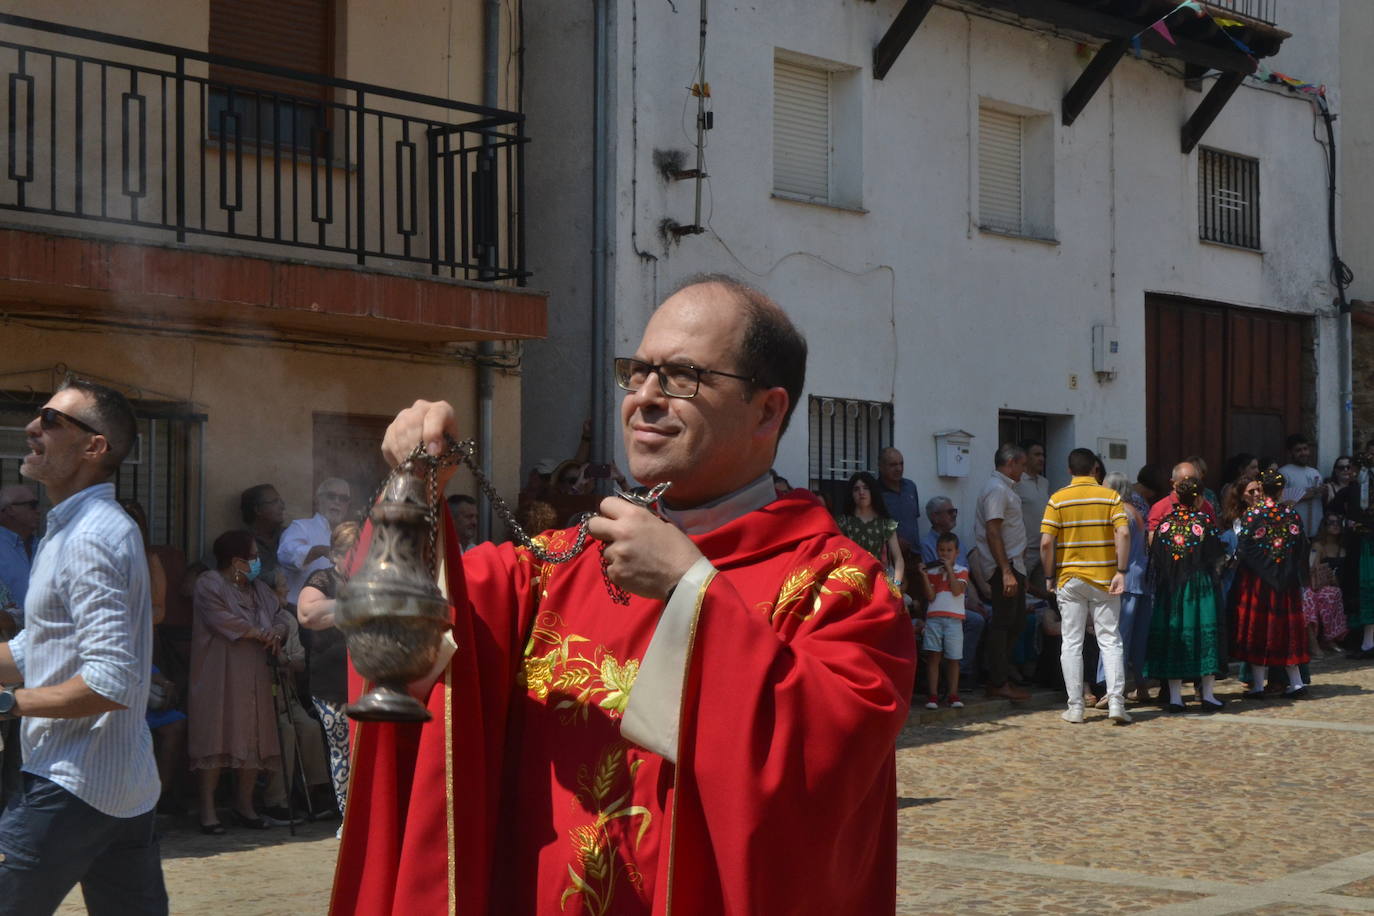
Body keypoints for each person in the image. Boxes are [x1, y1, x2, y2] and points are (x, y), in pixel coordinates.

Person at [334, 274, 916, 914]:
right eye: (637, 373)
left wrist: (690, 588)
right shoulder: (558, 564)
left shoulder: (838, 588)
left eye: (681, 377)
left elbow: (821, 774)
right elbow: (408, 637)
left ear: (769, 409)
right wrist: (412, 490)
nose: (644, 398)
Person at [0, 378, 167, 912]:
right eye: (38, 416)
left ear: (95, 447)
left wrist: (8, 703)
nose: (32, 427)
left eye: (51, 421)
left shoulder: (91, 536)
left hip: (70, 780)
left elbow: (108, 680)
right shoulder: (69, 530)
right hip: (119, 784)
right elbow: (38, 649)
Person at [189, 530, 292, 833]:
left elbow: (282, 617)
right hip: (218, 675)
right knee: (216, 736)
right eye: (253, 556)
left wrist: (278, 631)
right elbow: (222, 620)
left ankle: (244, 806)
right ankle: (208, 812)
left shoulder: (258, 588)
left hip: (256, 674)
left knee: (253, 736)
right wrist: (261, 633)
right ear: (236, 561)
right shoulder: (209, 584)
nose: (257, 561)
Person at [1040, 447, 1131, 725]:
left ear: (1069, 471)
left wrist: (1048, 576)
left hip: (1070, 579)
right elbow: (1124, 532)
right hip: (1104, 578)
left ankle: (1076, 706)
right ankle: (1116, 702)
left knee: (1072, 642)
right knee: (1110, 640)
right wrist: (1121, 571)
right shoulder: (1110, 497)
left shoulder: (1058, 499)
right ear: (1095, 469)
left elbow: (1045, 542)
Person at [1142, 477, 1228, 712]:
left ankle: (1175, 698)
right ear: (1199, 498)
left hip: (1171, 589)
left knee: (1174, 637)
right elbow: (1215, 556)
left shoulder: (1165, 525)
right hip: (1199, 588)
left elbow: (1156, 558)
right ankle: (1208, 696)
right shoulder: (1205, 522)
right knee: (1203, 636)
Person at [296, 521, 360, 821]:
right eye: (350, 552)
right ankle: (349, 820)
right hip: (331, 682)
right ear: (335, 555)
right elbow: (309, 614)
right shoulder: (321, 578)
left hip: (372, 678)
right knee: (342, 749)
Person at [1230, 468, 1310, 698]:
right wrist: (1284, 569)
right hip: (1285, 583)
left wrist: (1264, 569)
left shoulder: (1252, 515)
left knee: (1258, 629)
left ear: (1262, 489)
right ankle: (1295, 682)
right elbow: (1300, 547)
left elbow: (1244, 547)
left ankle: (1257, 685)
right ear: (1282, 489)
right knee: (1287, 629)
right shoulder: (1291, 514)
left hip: (1257, 583)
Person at [974, 444, 1031, 702]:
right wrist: (1006, 571)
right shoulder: (996, 490)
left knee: (1017, 621)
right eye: (1021, 464)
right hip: (1002, 566)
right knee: (1004, 623)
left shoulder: (1005, 489)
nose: (1024, 469)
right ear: (1010, 464)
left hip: (1012, 565)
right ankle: (997, 681)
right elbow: (993, 531)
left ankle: (999, 675)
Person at [920, 496, 987, 686]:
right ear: (935, 517)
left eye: (954, 511)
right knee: (976, 621)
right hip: (944, 601)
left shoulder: (958, 543)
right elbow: (939, 580)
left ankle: (982, 673)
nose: (954, 515)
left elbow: (966, 575)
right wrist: (968, 603)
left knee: (990, 614)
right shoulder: (928, 544)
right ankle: (962, 675)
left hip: (961, 596)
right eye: (949, 512)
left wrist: (975, 601)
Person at [1100, 472, 1151, 704]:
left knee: (1116, 636)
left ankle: (1112, 690)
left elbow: (1118, 548)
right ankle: (1141, 685)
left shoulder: (1119, 513)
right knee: (1138, 638)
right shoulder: (1136, 511)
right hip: (1141, 580)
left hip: (1126, 581)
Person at [278, 479, 351, 609]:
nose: (337, 502)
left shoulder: (351, 534)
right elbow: (287, 556)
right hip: (299, 613)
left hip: (338, 614)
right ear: (317, 500)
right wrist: (321, 550)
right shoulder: (301, 527)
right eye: (331, 496)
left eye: (343, 498)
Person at [835, 471, 906, 592]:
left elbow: (898, 559)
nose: (861, 492)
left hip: (879, 583)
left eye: (866, 488)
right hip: (850, 583)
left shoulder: (886, 523)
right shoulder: (843, 522)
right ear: (851, 494)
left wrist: (896, 584)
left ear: (873, 491)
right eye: (856, 489)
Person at [921, 533, 968, 710]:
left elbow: (957, 591)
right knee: (933, 656)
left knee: (954, 658)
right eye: (942, 550)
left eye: (949, 550)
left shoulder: (962, 570)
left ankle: (953, 694)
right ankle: (933, 695)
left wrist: (949, 570)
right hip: (934, 617)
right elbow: (930, 596)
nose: (945, 554)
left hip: (954, 619)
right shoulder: (932, 571)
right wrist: (924, 576)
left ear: (956, 552)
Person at [1302, 515, 1348, 656]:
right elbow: (1312, 568)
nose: (1335, 525)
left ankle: (1330, 638)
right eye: (1331, 522)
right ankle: (1313, 642)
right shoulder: (1318, 546)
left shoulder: (1343, 547)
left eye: (1338, 522)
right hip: (1317, 585)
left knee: (1331, 594)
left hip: (1336, 585)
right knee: (1309, 597)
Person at [0, 485, 40, 636]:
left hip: (48, 643)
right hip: (8, 646)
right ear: (10, 510)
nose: (38, 510)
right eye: (32, 505)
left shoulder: (46, 546)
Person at [877, 447, 921, 564]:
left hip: (915, 556)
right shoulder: (875, 492)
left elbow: (913, 520)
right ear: (881, 467)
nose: (899, 468)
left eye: (901, 464)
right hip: (889, 559)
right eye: (893, 465)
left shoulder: (910, 487)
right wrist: (891, 542)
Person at [1014, 442, 1050, 579]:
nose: (1041, 459)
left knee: (1044, 592)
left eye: (1042, 455)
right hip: (1026, 550)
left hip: (1044, 547)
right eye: (1036, 455)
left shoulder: (1044, 482)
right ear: (1026, 458)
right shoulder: (1017, 483)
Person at [1147, 461, 1217, 533]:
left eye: (1193, 482)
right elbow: (1153, 539)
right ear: (1173, 483)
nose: (1189, 486)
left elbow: (1213, 534)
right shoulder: (1160, 508)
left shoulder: (1205, 506)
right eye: (1185, 483)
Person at [1279, 433, 1325, 537]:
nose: (1303, 453)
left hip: (1316, 532)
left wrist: (1325, 492)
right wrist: (1304, 495)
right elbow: (1278, 502)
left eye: (1305, 449)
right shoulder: (1284, 473)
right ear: (1290, 453)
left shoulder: (1315, 473)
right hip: (1293, 532)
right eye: (1298, 450)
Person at [240, 484, 286, 585]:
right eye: (274, 502)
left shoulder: (291, 535)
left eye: (280, 501)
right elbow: (204, 572)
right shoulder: (239, 542)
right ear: (257, 509)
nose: (282, 506)